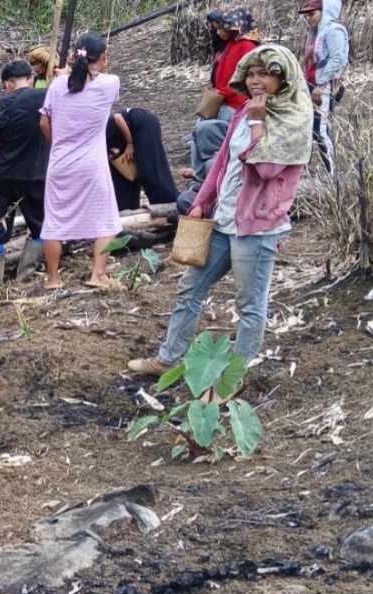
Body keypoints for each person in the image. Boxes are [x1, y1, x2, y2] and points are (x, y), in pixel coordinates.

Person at [129, 45, 311, 377]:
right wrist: (202, 200)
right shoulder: (243, 112)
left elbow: (267, 170)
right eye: (252, 74)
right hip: (224, 221)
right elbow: (223, 161)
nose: (256, 81)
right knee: (190, 288)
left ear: (283, 78)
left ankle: (232, 379)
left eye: (265, 74)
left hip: (257, 229)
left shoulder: (291, 118)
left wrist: (258, 123)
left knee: (250, 307)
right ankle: (168, 359)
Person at [38, 33, 121, 290]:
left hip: (60, 163)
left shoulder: (56, 85)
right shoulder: (110, 83)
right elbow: (90, 80)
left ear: (73, 56)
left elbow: (44, 122)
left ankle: (53, 278)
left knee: (54, 221)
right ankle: (97, 274)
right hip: (92, 164)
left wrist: (59, 143)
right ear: (103, 58)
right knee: (105, 217)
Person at [0, 60, 50, 286]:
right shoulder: (46, 97)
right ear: (30, 79)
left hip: (2, 175)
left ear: (6, 84)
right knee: (40, 225)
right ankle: (24, 278)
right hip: (35, 173)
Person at [300, 0, 348, 175]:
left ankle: (332, 176)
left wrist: (321, 86)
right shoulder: (315, 32)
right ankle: (308, 171)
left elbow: (338, 61)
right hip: (312, 86)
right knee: (310, 128)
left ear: (326, 11)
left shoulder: (334, 30)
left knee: (320, 130)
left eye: (312, 14)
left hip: (325, 87)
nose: (309, 18)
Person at [106, 107, 180, 211]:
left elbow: (117, 118)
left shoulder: (91, 124)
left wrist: (130, 144)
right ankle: (128, 208)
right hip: (125, 134)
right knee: (123, 176)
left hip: (140, 122)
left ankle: (169, 205)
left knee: (148, 169)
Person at [210, 6, 261, 123]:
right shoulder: (229, 44)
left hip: (235, 104)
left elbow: (245, 77)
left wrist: (223, 92)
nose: (218, 33)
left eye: (220, 28)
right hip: (222, 100)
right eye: (216, 29)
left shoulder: (247, 46)